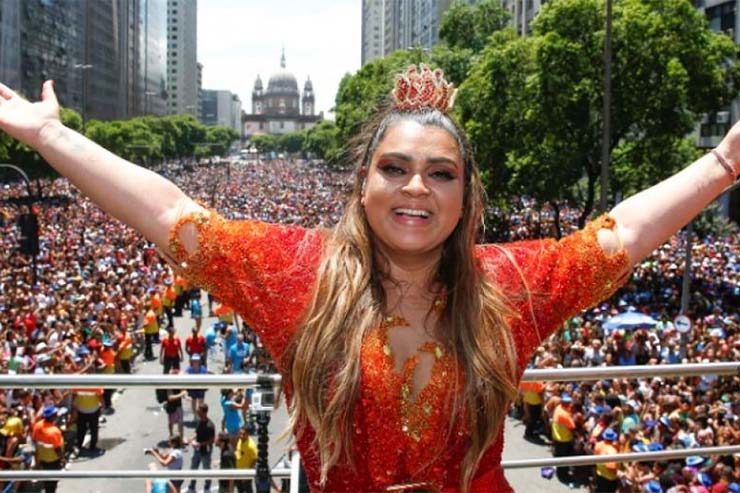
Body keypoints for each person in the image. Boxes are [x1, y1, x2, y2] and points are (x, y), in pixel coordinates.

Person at [0, 64, 738, 492]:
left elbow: (620, 237)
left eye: (440, 173)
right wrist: (51, 136)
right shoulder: (298, 275)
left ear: (466, 195)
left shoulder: (510, 281)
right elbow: (171, 212)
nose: (416, 187)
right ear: (362, 183)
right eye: (395, 167)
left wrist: (722, 163)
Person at [31, 405, 64, 493]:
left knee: (46, 480)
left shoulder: (37, 425)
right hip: (53, 460)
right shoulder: (54, 431)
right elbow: (57, 449)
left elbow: (34, 440)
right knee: (52, 482)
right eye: (56, 414)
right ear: (53, 416)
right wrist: (62, 459)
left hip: (42, 458)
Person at [186, 403, 215, 493]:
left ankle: (207, 488)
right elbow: (196, 432)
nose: (197, 412)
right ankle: (192, 487)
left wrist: (200, 444)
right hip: (197, 450)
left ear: (204, 412)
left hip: (205, 451)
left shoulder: (210, 425)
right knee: (193, 468)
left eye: (199, 410)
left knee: (206, 469)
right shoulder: (199, 421)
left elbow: (212, 440)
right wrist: (191, 439)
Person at [234, 426, 257, 493]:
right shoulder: (240, 440)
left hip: (246, 473)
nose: (241, 435)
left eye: (243, 434)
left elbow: (255, 460)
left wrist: (248, 474)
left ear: (248, 434)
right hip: (238, 471)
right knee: (240, 490)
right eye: (240, 433)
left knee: (248, 490)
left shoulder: (251, 446)